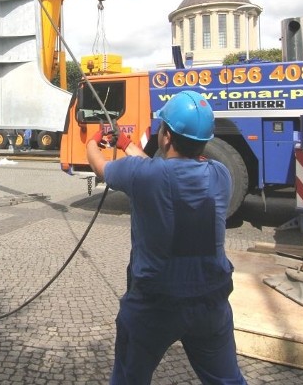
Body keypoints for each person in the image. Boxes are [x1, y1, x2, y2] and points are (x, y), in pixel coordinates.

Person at [85, 91, 246, 385]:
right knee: (227, 381)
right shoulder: (220, 174)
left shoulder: (144, 175)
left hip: (154, 305)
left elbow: (101, 167)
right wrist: (126, 144)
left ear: (167, 136)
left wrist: (92, 141)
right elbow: (160, 169)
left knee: (129, 379)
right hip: (210, 304)